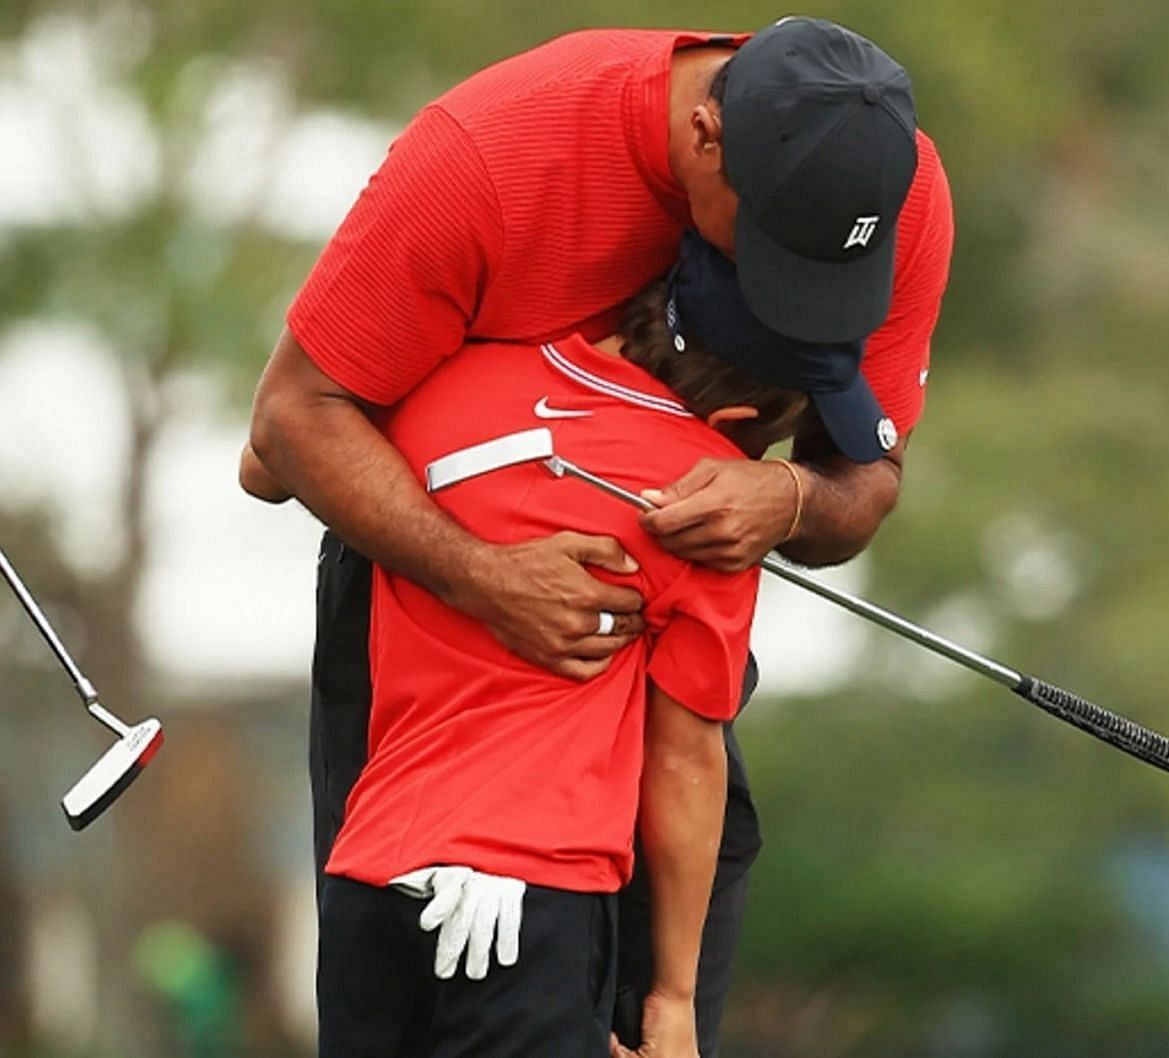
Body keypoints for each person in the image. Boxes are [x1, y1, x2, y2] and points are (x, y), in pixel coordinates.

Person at [242, 18, 953, 1054]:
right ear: (707, 136)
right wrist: (480, 571)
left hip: (653, 630)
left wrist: (787, 498)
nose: (786, 287)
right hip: (421, 585)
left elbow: (867, 477)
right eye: (766, 250)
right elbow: (284, 429)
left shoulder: (892, 193)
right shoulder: (488, 156)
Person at [290, 233, 896, 1058]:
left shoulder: (451, 378)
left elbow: (271, 457)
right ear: (737, 424)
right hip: (524, 907)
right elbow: (684, 762)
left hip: (365, 885)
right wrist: (674, 1000)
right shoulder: (710, 508)